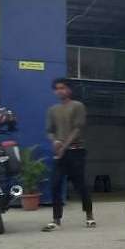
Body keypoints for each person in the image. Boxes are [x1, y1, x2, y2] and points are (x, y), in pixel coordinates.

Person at [42, 78, 95, 231]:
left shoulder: (78, 106)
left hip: (76, 151)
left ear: (69, 90)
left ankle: (89, 216)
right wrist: (55, 141)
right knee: (55, 184)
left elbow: (78, 129)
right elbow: (49, 131)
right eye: (57, 88)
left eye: (63, 88)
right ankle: (56, 219)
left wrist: (64, 146)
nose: (60, 91)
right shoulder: (52, 110)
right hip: (60, 154)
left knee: (81, 186)